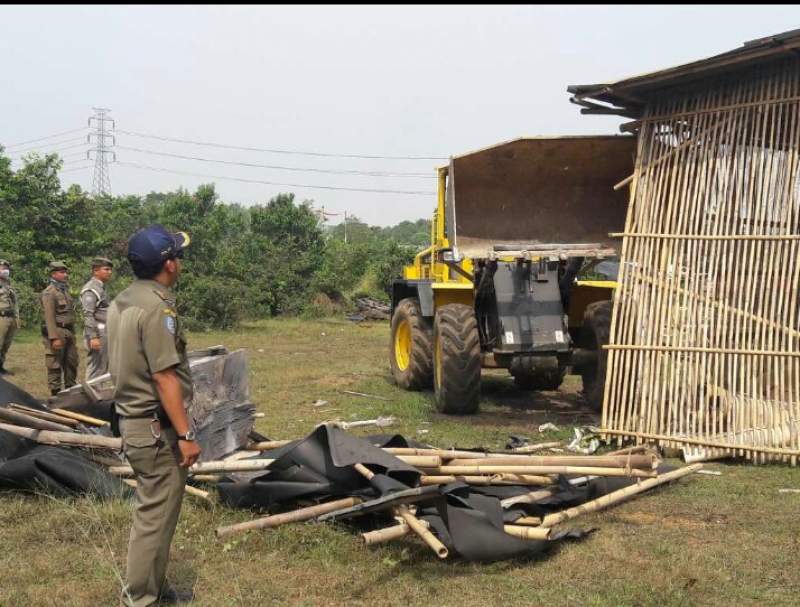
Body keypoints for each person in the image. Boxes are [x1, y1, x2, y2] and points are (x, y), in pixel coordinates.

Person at [107, 225, 200, 607]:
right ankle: (141, 598)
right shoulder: (158, 308)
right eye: (177, 255)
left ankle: (154, 588)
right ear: (168, 264)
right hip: (155, 427)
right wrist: (185, 434)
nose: (180, 262)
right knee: (154, 517)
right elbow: (164, 377)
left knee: (157, 514)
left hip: (133, 421)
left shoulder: (123, 300)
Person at [41, 260, 79, 395]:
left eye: (66, 272)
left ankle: (70, 392)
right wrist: (53, 337)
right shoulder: (49, 292)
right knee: (55, 364)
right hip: (57, 331)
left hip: (69, 331)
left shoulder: (64, 290)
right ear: (53, 274)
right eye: (62, 272)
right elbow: (49, 316)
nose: (66, 275)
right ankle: (55, 394)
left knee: (71, 363)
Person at [80, 256, 113, 380]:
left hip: (104, 331)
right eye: (106, 269)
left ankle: (99, 396)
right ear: (95, 271)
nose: (110, 272)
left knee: (103, 368)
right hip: (97, 332)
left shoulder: (101, 287)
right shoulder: (91, 289)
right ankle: (91, 397)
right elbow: (88, 314)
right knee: (96, 369)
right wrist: (93, 337)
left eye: (110, 270)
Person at [0, 259, 20, 375]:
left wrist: (17, 318)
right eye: (2, 268)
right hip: (1, 317)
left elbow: (14, 302)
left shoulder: (8, 284)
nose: (5, 270)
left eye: (6, 268)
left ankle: (1, 367)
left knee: (6, 345)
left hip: (10, 318)